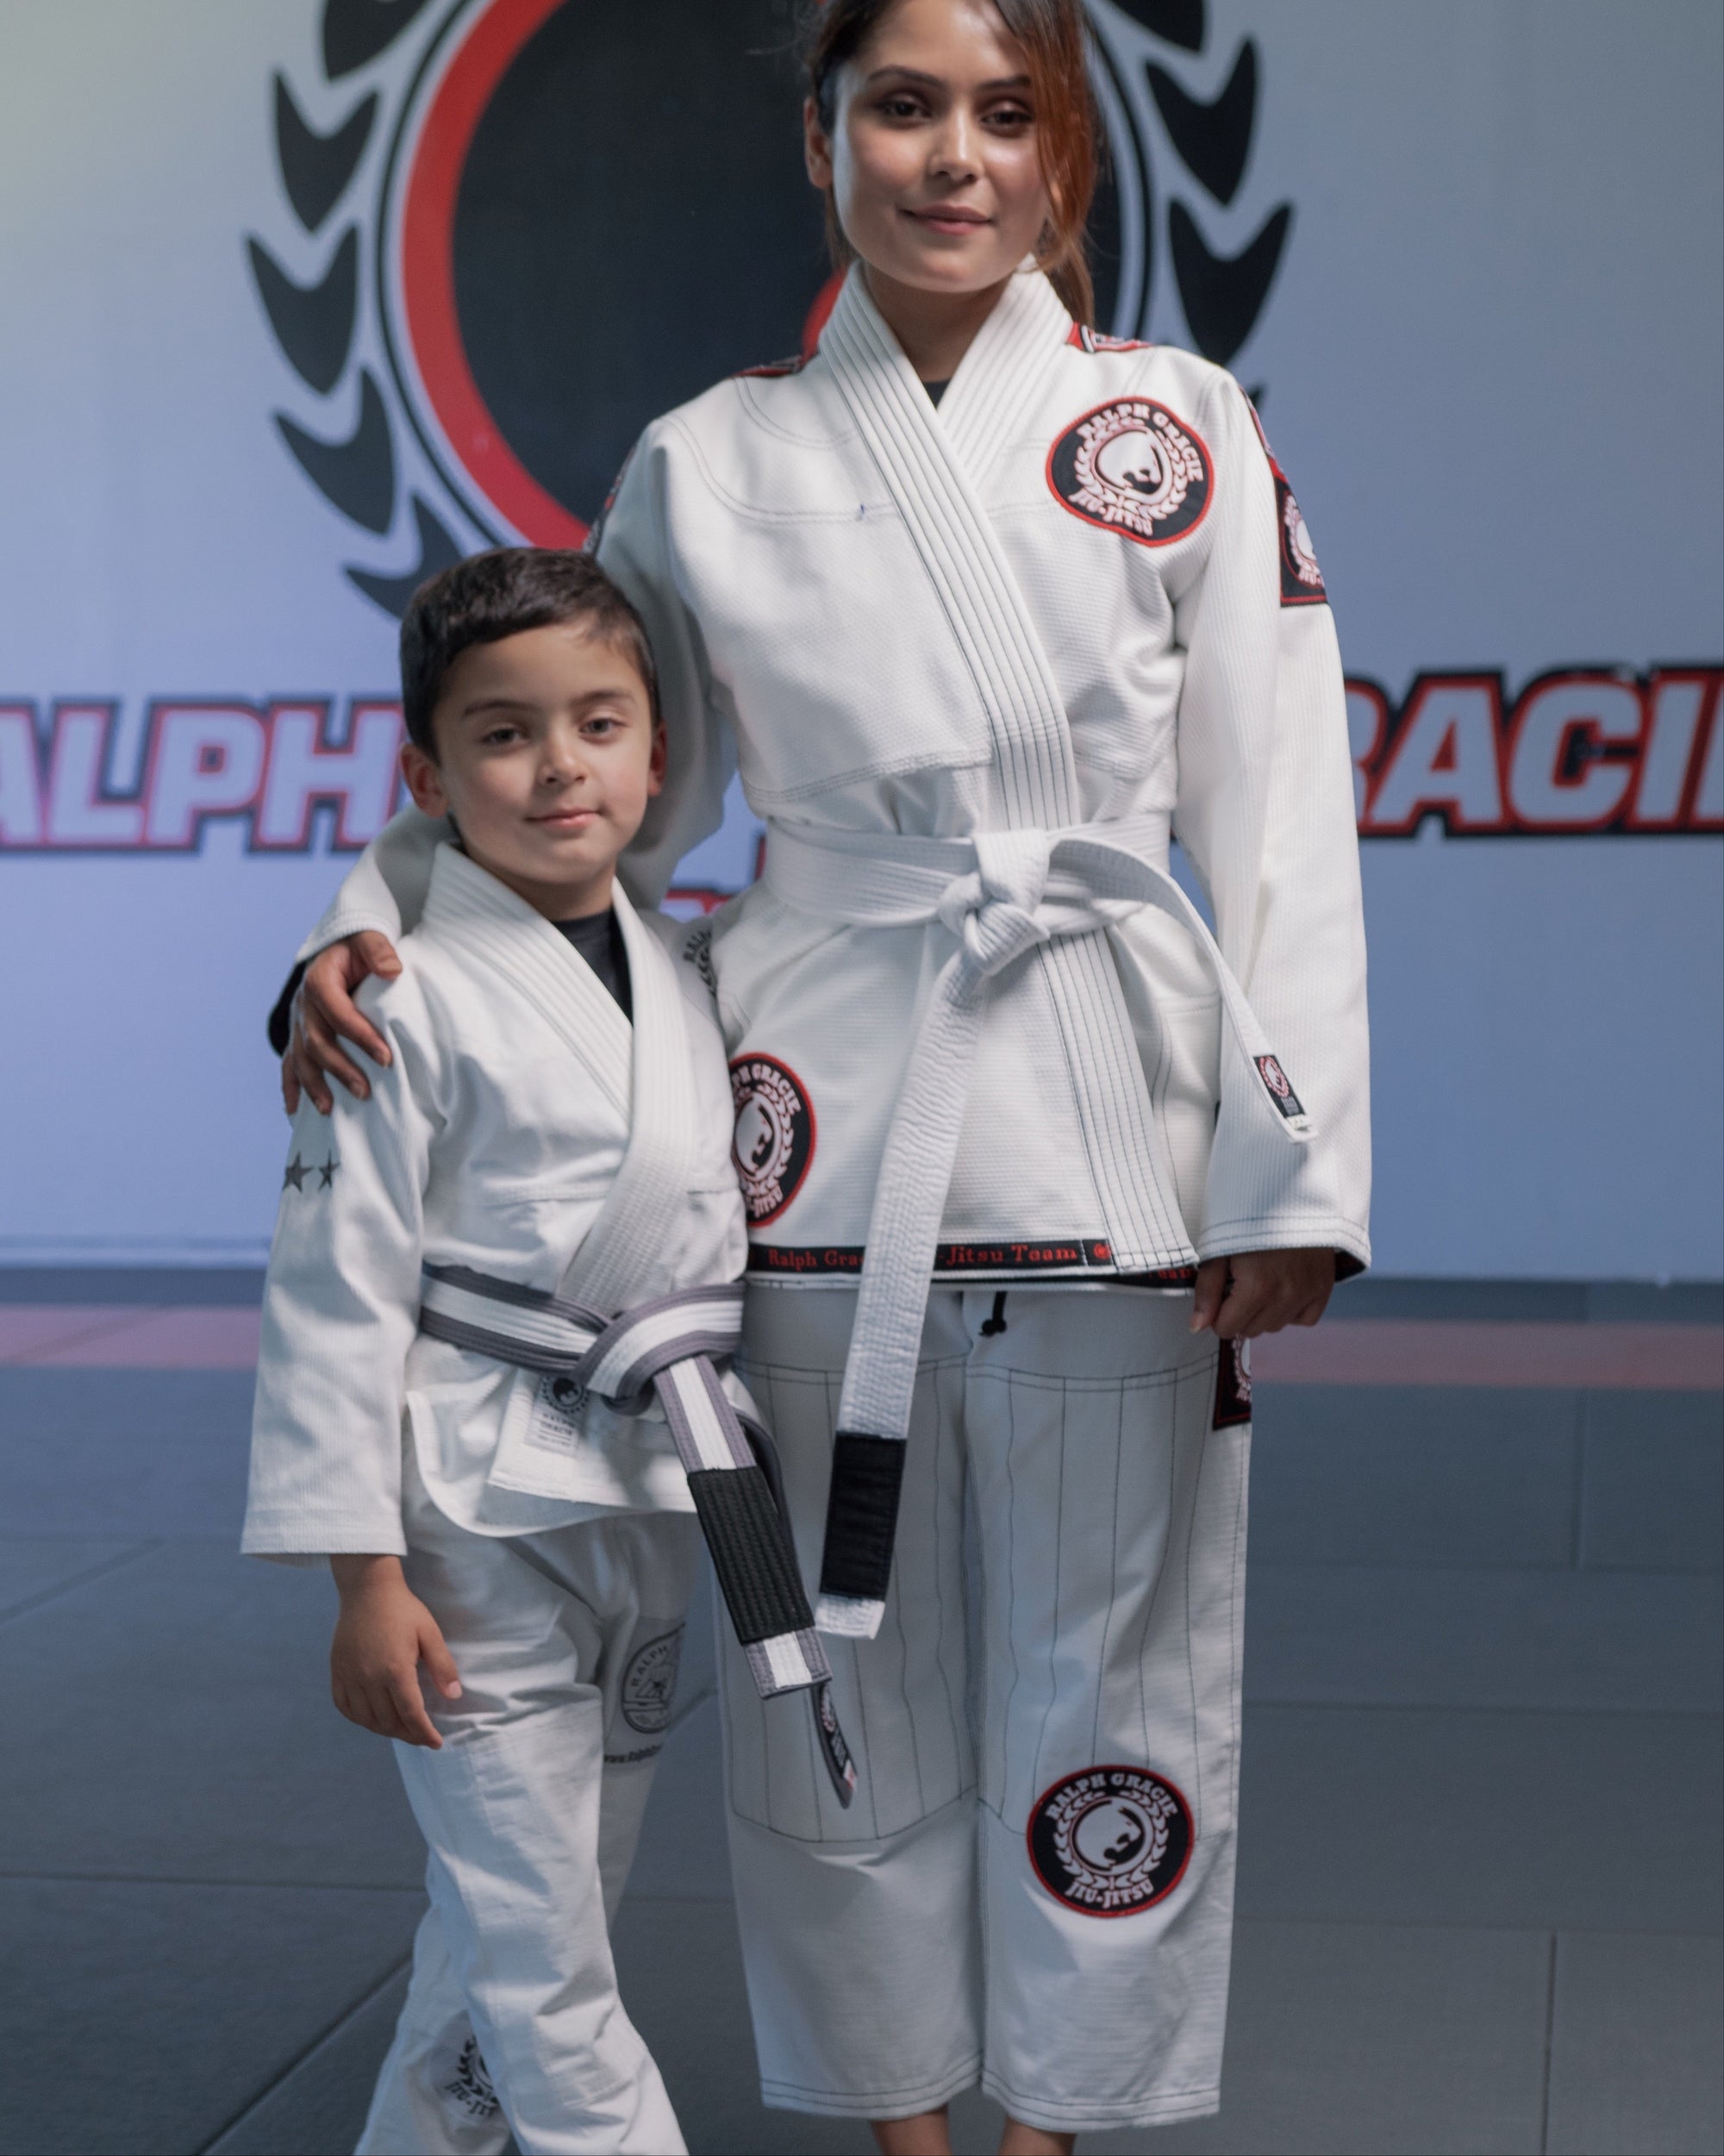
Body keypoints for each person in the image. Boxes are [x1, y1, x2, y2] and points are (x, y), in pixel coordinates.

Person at [279, 2, 1371, 2149]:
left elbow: (1274, 814)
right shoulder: (711, 453)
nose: (949, 157)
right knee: (822, 1691)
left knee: (1112, 1679)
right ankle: (898, 2124)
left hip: (1114, 1139)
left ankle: (1052, 2128)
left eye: (1002, 112)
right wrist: (366, 909)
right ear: (818, 140)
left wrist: (1290, 1171)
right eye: (899, 107)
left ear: (1064, 152)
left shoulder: (1177, 423)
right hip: (797, 1151)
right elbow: (588, 776)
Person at [247, 548, 843, 2156]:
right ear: (429, 776)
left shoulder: (701, 960)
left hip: (653, 1494)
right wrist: (361, 1574)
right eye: (504, 735)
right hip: (468, 1524)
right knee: (547, 1953)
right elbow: (332, 1293)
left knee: (533, 1910)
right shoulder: (388, 1001)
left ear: (662, 758)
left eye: (599, 723)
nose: (559, 764)